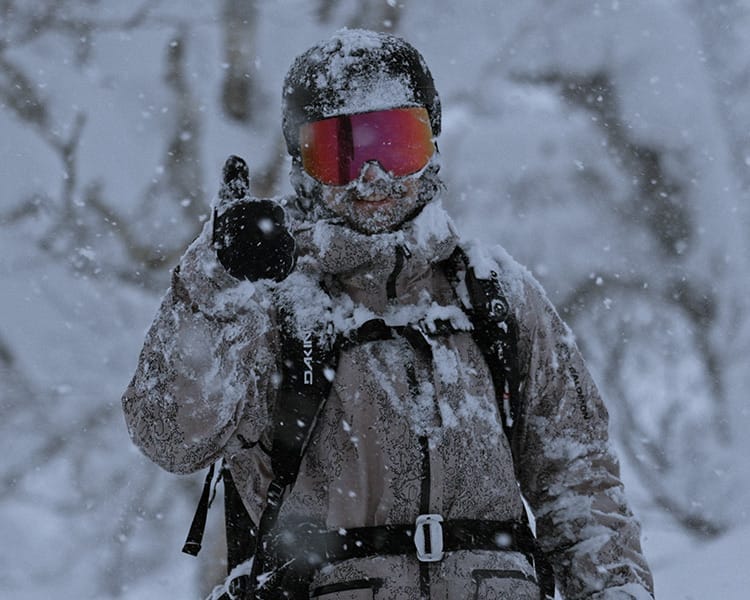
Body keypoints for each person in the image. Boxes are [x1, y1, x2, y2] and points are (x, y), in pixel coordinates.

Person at [122, 29, 655, 600]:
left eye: (396, 145)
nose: (372, 177)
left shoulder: (496, 297)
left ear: (434, 144)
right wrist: (217, 281)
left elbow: (578, 483)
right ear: (303, 164)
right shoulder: (267, 304)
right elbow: (170, 437)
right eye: (341, 153)